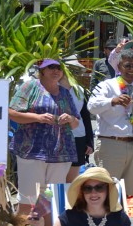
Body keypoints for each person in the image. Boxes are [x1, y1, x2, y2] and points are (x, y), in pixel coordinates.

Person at [9, 59, 80, 214]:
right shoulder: (30, 86)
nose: (56, 71)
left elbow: (76, 123)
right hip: (32, 151)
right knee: (29, 198)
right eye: (51, 68)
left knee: (51, 199)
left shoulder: (65, 92)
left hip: (61, 153)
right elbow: (12, 113)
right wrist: (38, 118)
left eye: (59, 68)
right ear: (42, 71)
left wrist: (70, 119)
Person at [89, 49, 133, 205]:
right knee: (106, 191)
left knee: (127, 193)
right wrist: (113, 101)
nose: (131, 69)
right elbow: (91, 106)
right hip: (112, 144)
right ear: (119, 66)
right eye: (127, 65)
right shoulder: (107, 86)